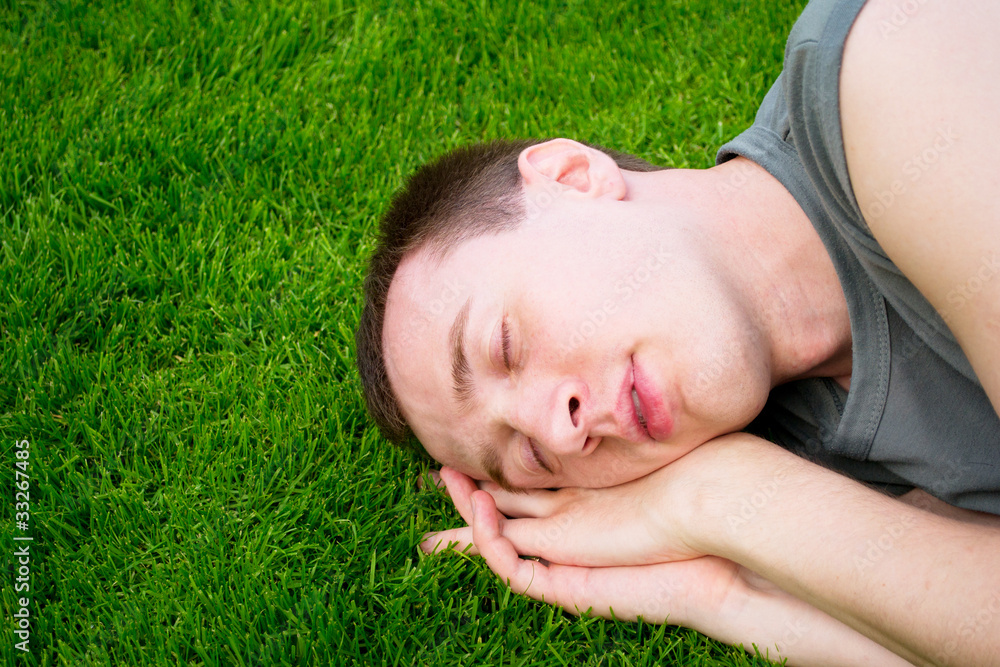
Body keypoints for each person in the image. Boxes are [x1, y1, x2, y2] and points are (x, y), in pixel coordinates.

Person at [354, 0, 1000, 664]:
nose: (559, 431)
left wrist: (732, 506)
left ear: (571, 179)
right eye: (530, 459)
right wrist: (721, 579)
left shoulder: (896, 74)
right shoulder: (801, 453)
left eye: (505, 345)